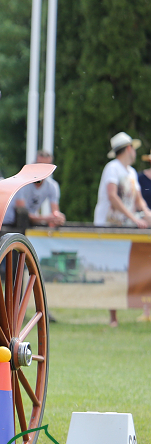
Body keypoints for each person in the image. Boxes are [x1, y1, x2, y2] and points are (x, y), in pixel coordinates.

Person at [93, 133, 151, 327]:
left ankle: (138, 309)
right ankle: (113, 318)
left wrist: (145, 211)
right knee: (112, 270)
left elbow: (137, 198)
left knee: (124, 268)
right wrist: (135, 217)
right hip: (109, 227)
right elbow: (112, 196)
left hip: (124, 227)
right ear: (128, 149)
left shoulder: (131, 172)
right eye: (133, 148)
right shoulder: (113, 168)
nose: (135, 152)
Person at [2, 150, 66, 229]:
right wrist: (46, 219)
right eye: (40, 165)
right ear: (33, 164)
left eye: (47, 166)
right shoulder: (22, 184)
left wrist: (58, 218)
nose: (43, 170)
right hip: (8, 225)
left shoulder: (52, 186)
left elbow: (55, 211)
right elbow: (22, 214)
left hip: (27, 225)